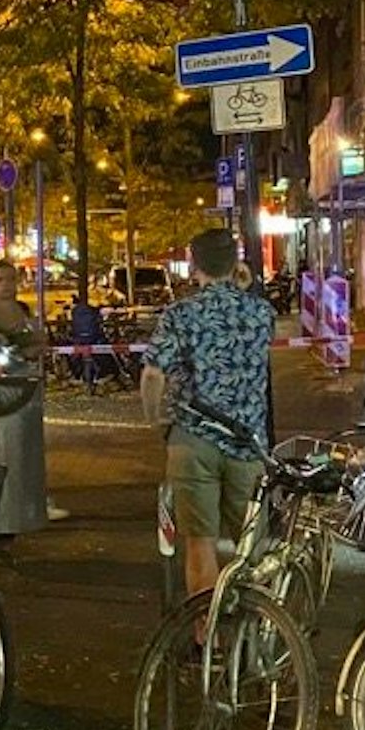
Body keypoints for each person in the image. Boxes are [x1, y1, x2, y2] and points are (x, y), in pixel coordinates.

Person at [141, 229, 274, 606]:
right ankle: (254, 628)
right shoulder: (261, 313)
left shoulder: (180, 314)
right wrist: (241, 282)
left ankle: (206, 636)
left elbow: (153, 376)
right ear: (235, 264)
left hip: (194, 440)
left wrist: (154, 420)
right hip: (248, 444)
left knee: (200, 544)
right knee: (250, 545)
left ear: (194, 264)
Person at [0, 261, 69, 531]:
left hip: (19, 387)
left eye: (10, 279)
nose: (6, 285)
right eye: (0, 279)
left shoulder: (23, 311)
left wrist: (32, 349)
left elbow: (39, 340)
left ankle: (27, 501)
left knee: (22, 446)